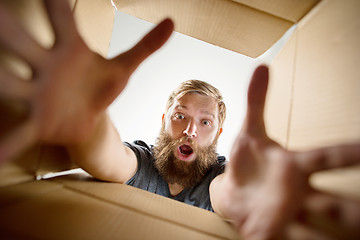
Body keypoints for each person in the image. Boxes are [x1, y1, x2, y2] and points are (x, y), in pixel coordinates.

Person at [0, 1, 359, 239]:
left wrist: (249, 194)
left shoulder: (221, 177)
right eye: (180, 116)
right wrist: (87, 119)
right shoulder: (143, 163)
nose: (189, 128)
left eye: (204, 122)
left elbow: (227, 193)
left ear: (219, 132)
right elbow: (109, 158)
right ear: (163, 119)